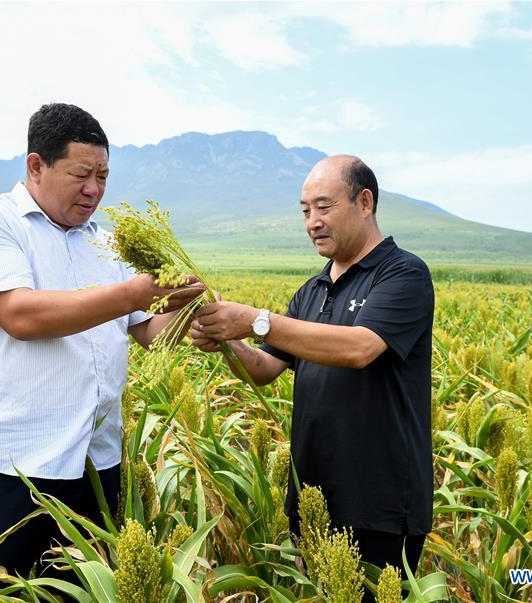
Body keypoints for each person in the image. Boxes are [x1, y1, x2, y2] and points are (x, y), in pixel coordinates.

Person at [0, 103, 202, 596]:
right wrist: (133, 294)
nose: (94, 190)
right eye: (81, 174)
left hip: (94, 466)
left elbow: (149, 332)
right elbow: (21, 316)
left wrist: (191, 311)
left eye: (103, 176)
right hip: (12, 469)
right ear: (35, 166)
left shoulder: (106, 244)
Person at [191, 155, 434, 602]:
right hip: (314, 502)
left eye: (323, 207)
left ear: (364, 202)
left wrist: (256, 320)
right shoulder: (312, 290)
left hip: (380, 505)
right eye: (305, 211)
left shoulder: (403, 274)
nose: (312, 222)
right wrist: (225, 339)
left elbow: (360, 348)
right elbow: (264, 370)